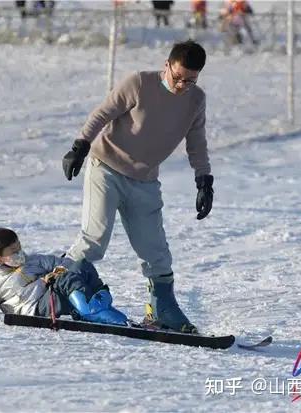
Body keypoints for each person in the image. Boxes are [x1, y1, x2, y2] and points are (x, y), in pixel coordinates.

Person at [61, 40, 213, 334]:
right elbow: (103, 113)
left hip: (144, 180)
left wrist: (204, 180)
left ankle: (163, 310)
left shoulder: (196, 100)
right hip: (105, 167)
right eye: (178, 77)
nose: (182, 85)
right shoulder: (140, 83)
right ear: (167, 65)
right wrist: (80, 145)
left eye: (190, 80)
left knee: (156, 251)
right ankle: (61, 290)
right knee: (94, 238)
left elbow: (196, 142)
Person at [0, 228, 128, 326]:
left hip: (54, 297)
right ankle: (90, 310)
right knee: (63, 279)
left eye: (19, 247)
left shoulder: (34, 260)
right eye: (13, 251)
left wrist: (65, 269)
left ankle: (99, 305)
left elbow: (65, 263)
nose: (19, 253)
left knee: (82, 265)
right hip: (36, 308)